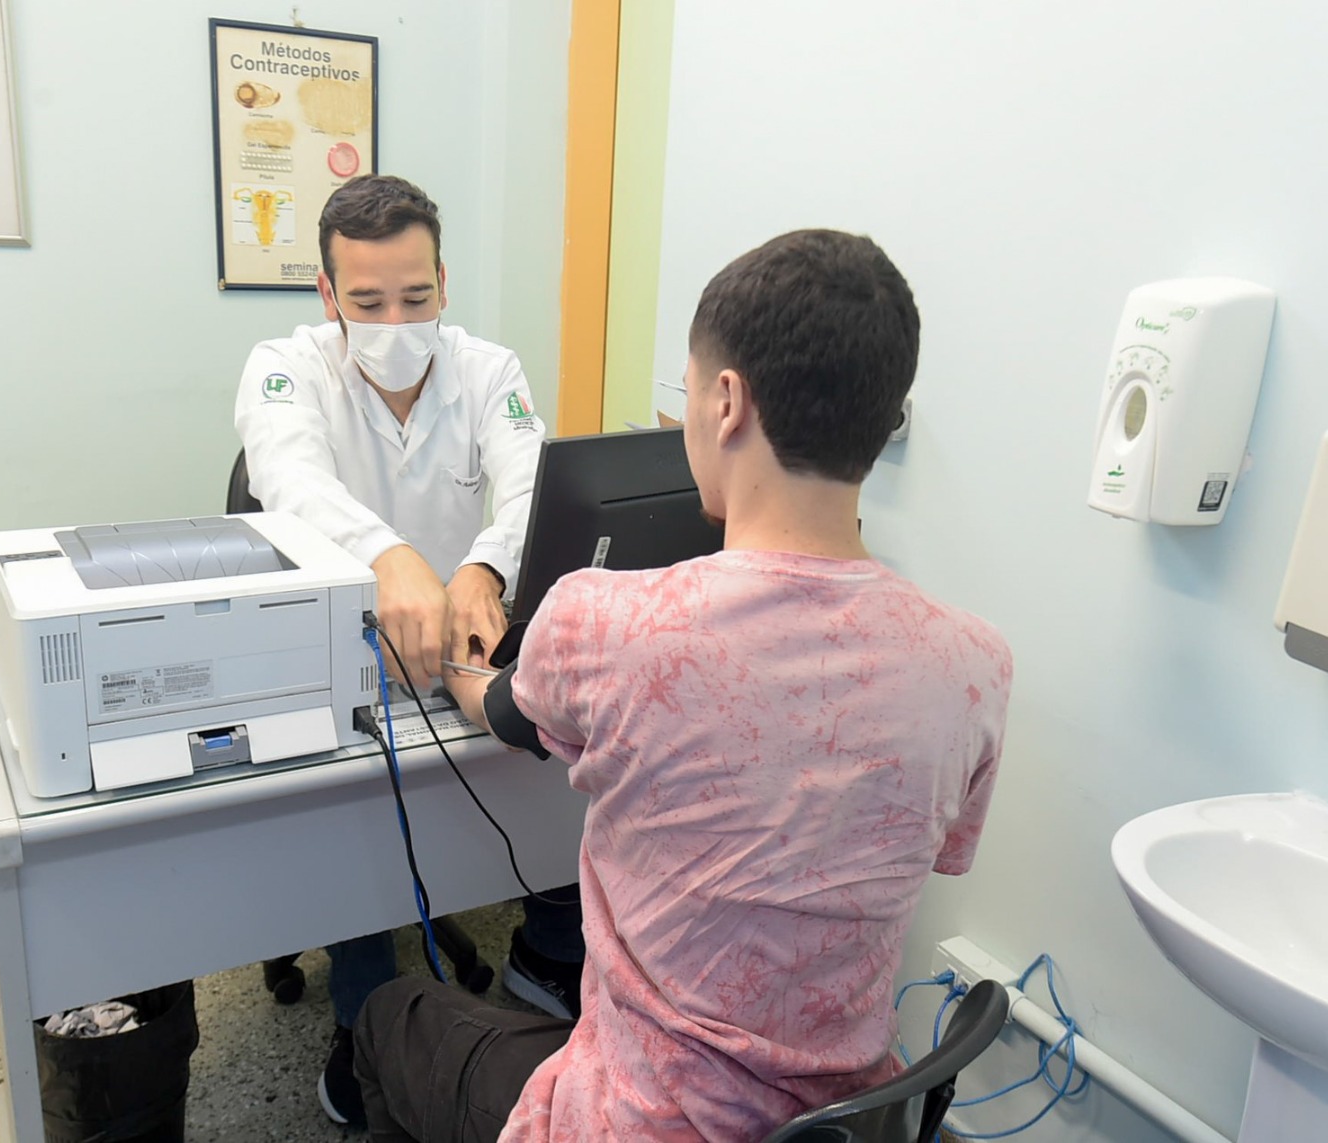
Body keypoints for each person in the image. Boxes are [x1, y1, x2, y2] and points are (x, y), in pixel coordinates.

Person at [349, 228, 1014, 1142]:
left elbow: (502, 713)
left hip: (640, 1122)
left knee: (395, 1014)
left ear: (726, 401)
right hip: (841, 1124)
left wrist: (456, 657)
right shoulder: (975, 664)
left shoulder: (604, 622)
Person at [232, 174, 584, 1129]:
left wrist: (482, 567)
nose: (396, 322)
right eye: (369, 301)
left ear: (444, 283)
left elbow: (529, 485)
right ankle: (366, 1018)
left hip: (466, 630)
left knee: (555, 744)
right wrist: (387, 559)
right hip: (343, 643)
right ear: (327, 294)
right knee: (360, 805)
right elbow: (288, 477)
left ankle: (551, 952)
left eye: (416, 297)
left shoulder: (488, 369)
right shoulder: (285, 368)